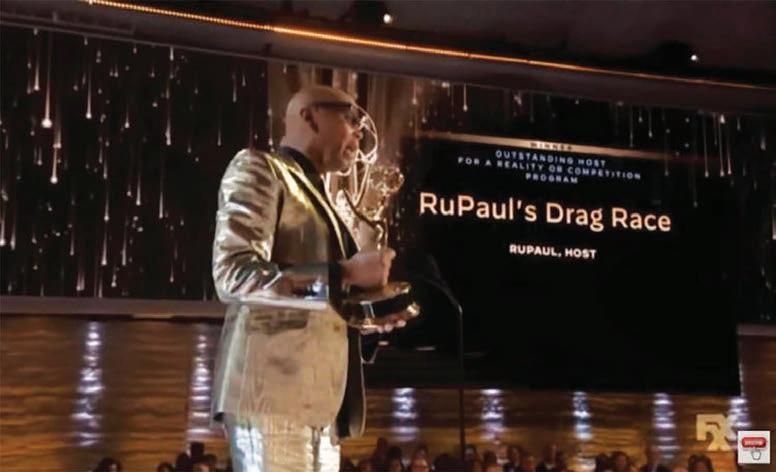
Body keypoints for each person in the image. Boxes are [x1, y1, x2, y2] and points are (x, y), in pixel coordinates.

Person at [211, 85, 414, 471]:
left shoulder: (326, 200)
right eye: (351, 118)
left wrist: (368, 319)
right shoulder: (260, 167)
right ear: (309, 116)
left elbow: (323, 302)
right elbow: (233, 273)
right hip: (272, 397)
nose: (360, 133)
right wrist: (345, 272)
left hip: (322, 408)